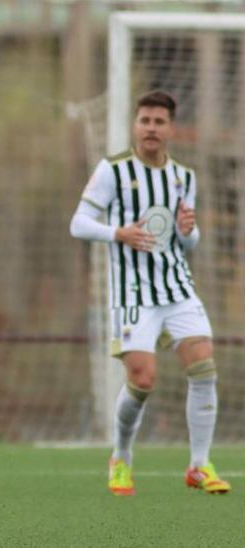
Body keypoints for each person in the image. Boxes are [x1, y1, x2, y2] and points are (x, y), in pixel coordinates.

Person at [70, 90, 228, 496]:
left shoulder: (183, 177)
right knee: (142, 380)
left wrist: (189, 231)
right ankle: (121, 457)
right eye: (145, 120)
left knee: (204, 367)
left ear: (171, 128)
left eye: (159, 122)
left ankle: (199, 465)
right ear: (135, 125)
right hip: (133, 293)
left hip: (177, 287)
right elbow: (79, 223)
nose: (151, 128)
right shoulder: (113, 170)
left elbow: (187, 242)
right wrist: (117, 232)